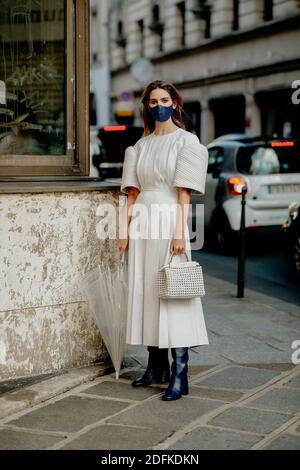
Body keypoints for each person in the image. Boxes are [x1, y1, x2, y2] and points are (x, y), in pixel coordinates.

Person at [118, 80, 209, 401]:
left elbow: (184, 192)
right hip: (142, 223)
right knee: (146, 292)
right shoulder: (139, 146)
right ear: (146, 106)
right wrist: (123, 229)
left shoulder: (187, 142)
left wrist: (180, 232)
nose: (159, 106)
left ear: (174, 102)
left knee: (173, 295)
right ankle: (156, 366)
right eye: (153, 101)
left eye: (164, 100)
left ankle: (180, 374)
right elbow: (132, 192)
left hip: (170, 218)